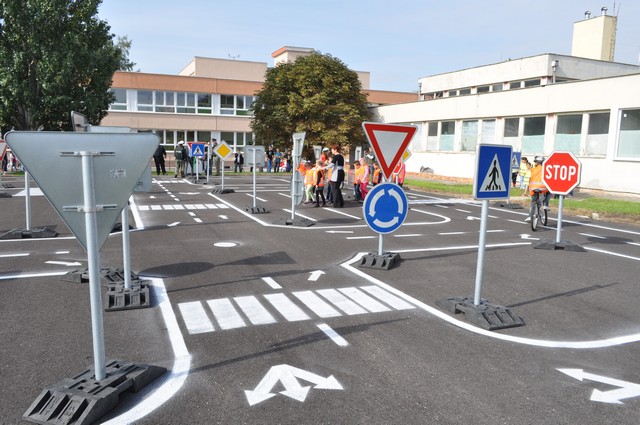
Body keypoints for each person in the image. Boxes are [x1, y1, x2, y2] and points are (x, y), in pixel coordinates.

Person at [525, 155, 551, 223]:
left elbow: (529, 179)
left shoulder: (532, 170)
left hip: (533, 188)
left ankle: (529, 216)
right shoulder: (546, 169)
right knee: (550, 191)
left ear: (537, 163)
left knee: (533, 202)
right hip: (544, 188)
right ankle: (545, 204)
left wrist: (528, 189)